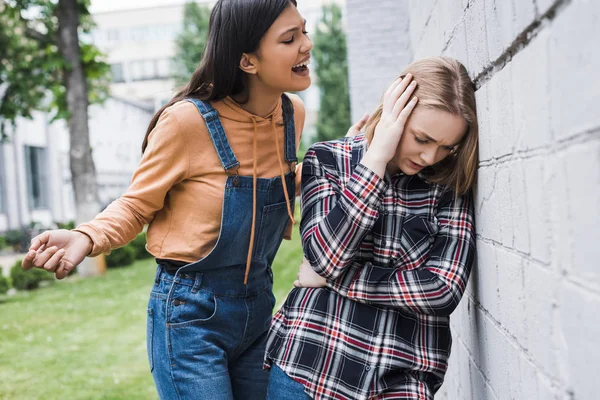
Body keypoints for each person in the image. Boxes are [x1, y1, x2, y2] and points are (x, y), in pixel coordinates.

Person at [21, 1, 317, 398]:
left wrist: (354, 157)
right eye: (290, 38)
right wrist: (86, 237)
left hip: (258, 307)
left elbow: (275, 180)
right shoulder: (186, 122)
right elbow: (137, 204)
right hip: (190, 317)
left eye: (304, 31)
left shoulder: (291, 114)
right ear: (247, 61)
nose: (307, 45)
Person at [265, 56, 479, 400]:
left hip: (400, 381)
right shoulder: (328, 160)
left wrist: (340, 281)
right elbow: (326, 257)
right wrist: (377, 156)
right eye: (421, 139)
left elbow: (441, 289)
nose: (429, 157)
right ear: (396, 113)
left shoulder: (449, 185)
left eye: (446, 147)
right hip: (311, 367)